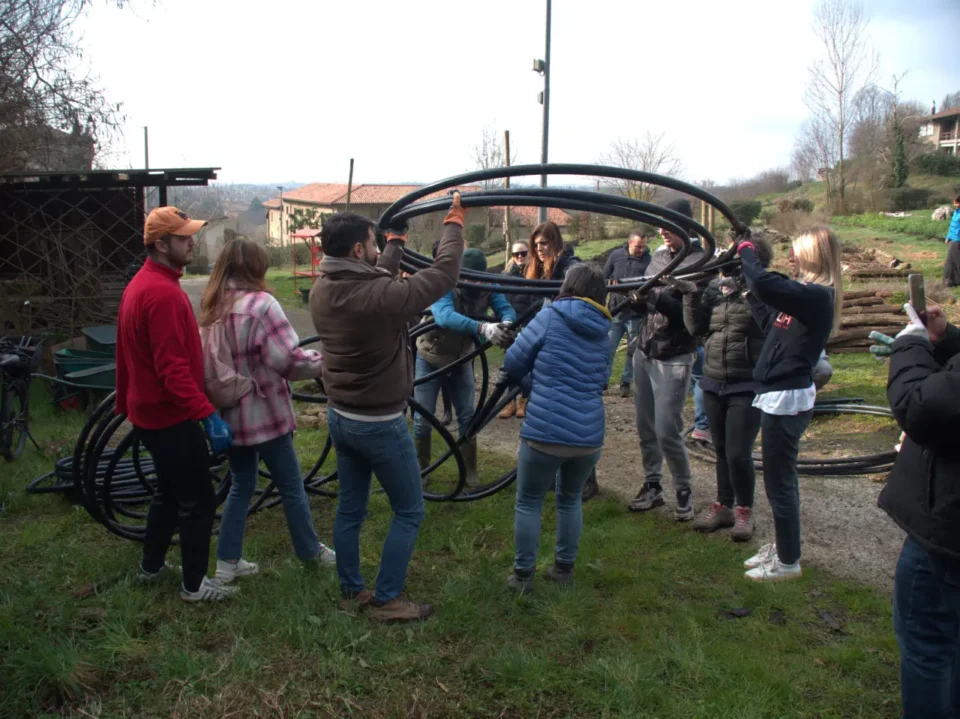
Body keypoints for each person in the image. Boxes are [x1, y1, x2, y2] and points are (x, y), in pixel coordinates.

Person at [309, 194, 465, 623]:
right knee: (410, 510)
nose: (378, 251)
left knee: (351, 508)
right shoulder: (377, 295)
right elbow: (444, 273)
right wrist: (453, 226)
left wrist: (394, 241)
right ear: (358, 249)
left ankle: (350, 590)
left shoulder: (324, 286)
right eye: (373, 244)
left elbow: (373, 276)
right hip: (378, 422)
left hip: (341, 416)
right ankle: (388, 599)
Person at [116, 206, 237, 603]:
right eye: (184, 238)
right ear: (161, 243)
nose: (192, 242)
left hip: (149, 412)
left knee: (168, 493)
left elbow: (128, 356)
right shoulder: (162, 294)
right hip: (169, 415)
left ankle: (151, 568)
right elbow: (172, 371)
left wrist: (125, 402)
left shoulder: (142, 284)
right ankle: (195, 585)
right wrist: (206, 416)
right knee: (198, 499)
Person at [197, 239, 335, 583]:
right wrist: (322, 365)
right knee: (291, 485)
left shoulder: (214, 305)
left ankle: (227, 563)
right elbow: (286, 360)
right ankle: (310, 551)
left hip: (231, 415)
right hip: (266, 413)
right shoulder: (262, 305)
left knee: (241, 484)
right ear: (256, 267)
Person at [736, 226, 842, 582]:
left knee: (780, 483)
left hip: (787, 398)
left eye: (797, 251)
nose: (792, 258)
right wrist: (748, 296)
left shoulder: (817, 296)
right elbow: (772, 322)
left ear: (813, 254)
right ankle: (784, 547)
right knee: (779, 480)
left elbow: (767, 284)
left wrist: (746, 250)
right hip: (778, 394)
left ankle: (788, 561)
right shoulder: (805, 297)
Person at [501, 264, 611, 591]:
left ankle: (522, 576)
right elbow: (601, 380)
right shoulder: (604, 332)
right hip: (588, 435)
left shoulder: (550, 317)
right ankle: (563, 570)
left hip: (545, 431)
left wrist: (536, 383)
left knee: (529, 500)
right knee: (570, 499)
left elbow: (512, 363)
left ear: (568, 286)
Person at [877, 301, 960, 719]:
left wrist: (910, 347)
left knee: (927, 643)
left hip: (948, 531)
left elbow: (922, 409)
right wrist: (946, 341)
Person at [671, 234, 774, 542]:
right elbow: (696, 328)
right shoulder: (716, 289)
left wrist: (747, 290)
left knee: (738, 452)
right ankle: (723, 505)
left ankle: (744, 509)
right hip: (714, 379)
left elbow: (768, 325)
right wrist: (690, 295)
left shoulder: (767, 288)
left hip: (747, 381)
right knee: (720, 450)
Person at [627, 198, 705, 521]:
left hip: (675, 355)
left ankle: (684, 489)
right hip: (645, 349)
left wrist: (655, 295)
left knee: (666, 429)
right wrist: (634, 299)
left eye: (670, 224)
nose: (662, 230)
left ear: (687, 226)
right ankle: (652, 485)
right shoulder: (658, 257)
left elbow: (691, 319)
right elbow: (647, 305)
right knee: (645, 426)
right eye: (660, 223)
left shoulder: (704, 260)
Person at [414, 248, 516, 485]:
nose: (475, 282)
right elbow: (444, 316)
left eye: (479, 277)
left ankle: (470, 473)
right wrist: (483, 329)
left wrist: (506, 324)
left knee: (467, 416)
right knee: (423, 416)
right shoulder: (444, 284)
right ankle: (422, 472)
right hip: (431, 357)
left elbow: (506, 308)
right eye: (469, 277)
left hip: (462, 358)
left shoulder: (488, 287)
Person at [602, 229, 652, 398]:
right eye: (638, 246)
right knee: (608, 348)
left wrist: (642, 297)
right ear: (630, 243)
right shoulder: (616, 256)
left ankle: (626, 382)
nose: (641, 250)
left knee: (632, 350)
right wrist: (610, 283)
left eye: (644, 246)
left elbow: (652, 287)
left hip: (636, 313)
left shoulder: (649, 261)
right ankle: (603, 381)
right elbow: (603, 277)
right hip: (616, 311)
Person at [499, 241, 533, 420]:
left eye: (523, 253)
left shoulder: (534, 276)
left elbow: (536, 303)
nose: (519, 257)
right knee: (509, 365)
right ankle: (510, 402)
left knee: (527, 367)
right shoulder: (504, 276)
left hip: (528, 326)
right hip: (509, 326)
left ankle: (524, 400)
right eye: (515, 254)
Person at [942, 194, 960, 287]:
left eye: (956, 203)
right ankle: (951, 280)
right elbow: (953, 226)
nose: (954, 204)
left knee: (954, 260)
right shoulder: (956, 212)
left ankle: (951, 280)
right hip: (954, 238)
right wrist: (948, 237)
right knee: (952, 260)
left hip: (958, 239)